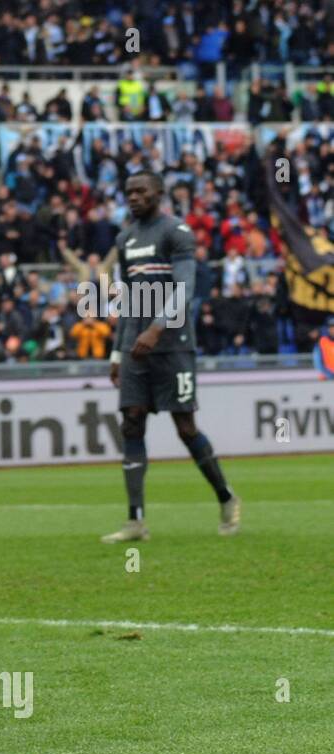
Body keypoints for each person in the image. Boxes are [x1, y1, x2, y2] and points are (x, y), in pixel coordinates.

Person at [102, 172, 240, 543]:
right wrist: (117, 351)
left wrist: (157, 327)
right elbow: (128, 301)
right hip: (135, 346)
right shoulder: (125, 238)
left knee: (185, 427)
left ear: (158, 194)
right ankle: (135, 522)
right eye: (128, 191)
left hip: (173, 345)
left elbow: (184, 289)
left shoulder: (176, 232)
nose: (133, 197)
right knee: (131, 423)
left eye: (140, 191)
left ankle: (226, 497)